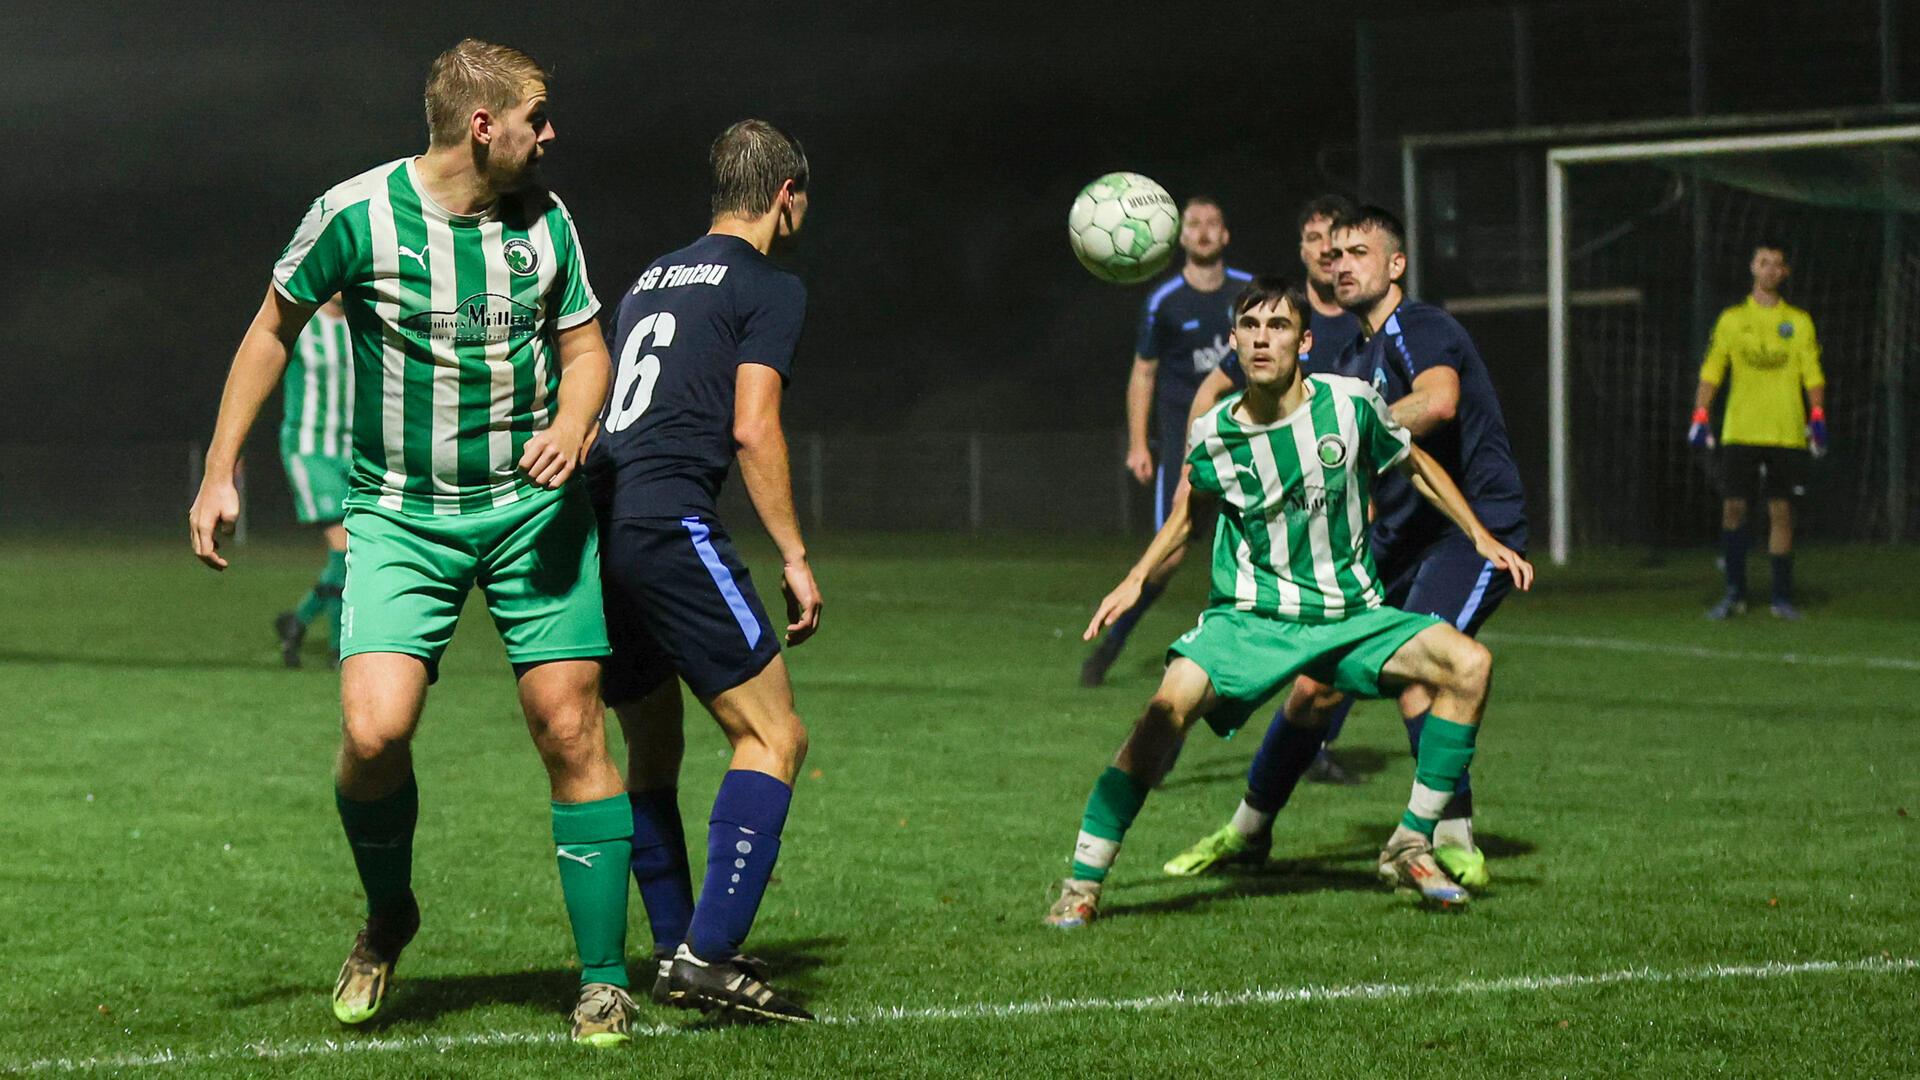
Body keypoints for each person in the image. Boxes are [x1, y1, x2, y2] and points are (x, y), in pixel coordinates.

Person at [187, 40, 636, 1046]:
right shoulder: (355, 215)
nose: (550, 133)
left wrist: (574, 422)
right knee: (374, 734)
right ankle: (390, 917)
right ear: (485, 126)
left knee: (570, 729)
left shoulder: (545, 218)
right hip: (402, 516)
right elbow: (272, 328)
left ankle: (603, 979)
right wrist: (221, 470)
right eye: (537, 117)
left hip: (533, 514)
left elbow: (584, 343)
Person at [1044, 276, 1533, 929]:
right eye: (1249, 327)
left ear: (1305, 341)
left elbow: (1412, 460)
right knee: (1162, 715)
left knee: (1468, 666)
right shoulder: (1216, 432)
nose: (1261, 338)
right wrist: (1136, 578)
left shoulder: (1351, 404)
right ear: (1235, 342)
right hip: (1250, 619)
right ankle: (1082, 881)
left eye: (1277, 326)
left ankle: (1411, 842)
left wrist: (1479, 536)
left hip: (1348, 617)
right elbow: (1188, 516)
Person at [1165, 207, 1528, 889]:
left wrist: (1349, 431)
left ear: (1396, 265)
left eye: (1359, 251)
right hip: (1394, 542)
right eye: (1334, 255)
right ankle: (1247, 831)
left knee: (1431, 665)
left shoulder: (1417, 328)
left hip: (1465, 533)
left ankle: (1447, 838)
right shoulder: (1354, 356)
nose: (1341, 264)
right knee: (1312, 691)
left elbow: (1440, 401)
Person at [588, 120, 820, 1023]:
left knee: (654, 744)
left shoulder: (650, 278)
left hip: (609, 530)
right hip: (671, 524)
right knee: (775, 737)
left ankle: (679, 938)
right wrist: (795, 557)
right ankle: (709, 956)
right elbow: (753, 425)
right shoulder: (771, 285)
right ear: (785, 194)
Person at [1186, 194, 1365, 782]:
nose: (1325, 250)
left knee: (1353, 656)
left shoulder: (1366, 322)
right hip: (1276, 505)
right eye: (1314, 239)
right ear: (1304, 249)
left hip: (1345, 506)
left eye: (1336, 241)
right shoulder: (1278, 317)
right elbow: (1216, 385)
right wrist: (1207, 451)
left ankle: (1298, 760)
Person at [1080, 198, 1251, 687]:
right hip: (1186, 446)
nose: (1202, 232)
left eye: (1211, 224)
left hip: (1247, 440)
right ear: (1178, 238)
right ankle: (1111, 646)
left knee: (1259, 554)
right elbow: (1144, 372)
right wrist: (1139, 443)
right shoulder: (1165, 302)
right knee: (1170, 555)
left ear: (1225, 235)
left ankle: (1248, 659)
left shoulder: (1248, 292)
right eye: (1192, 225)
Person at [1690, 242, 1827, 620]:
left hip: (1785, 432)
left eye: (1777, 265)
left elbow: (1812, 373)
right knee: (1734, 508)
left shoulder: (1798, 321)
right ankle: (1735, 593)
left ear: (1784, 274)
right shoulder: (1732, 320)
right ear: (1752, 268)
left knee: (1781, 512)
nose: (1769, 270)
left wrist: (1816, 416)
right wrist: (1701, 414)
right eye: (1763, 262)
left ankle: (1781, 597)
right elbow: (1713, 369)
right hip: (1741, 431)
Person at [273, 295, 353, 668]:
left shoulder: (363, 323)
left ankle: (299, 622)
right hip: (309, 450)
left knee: (353, 555)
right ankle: (339, 650)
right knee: (345, 549)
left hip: (355, 451)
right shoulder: (299, 324)